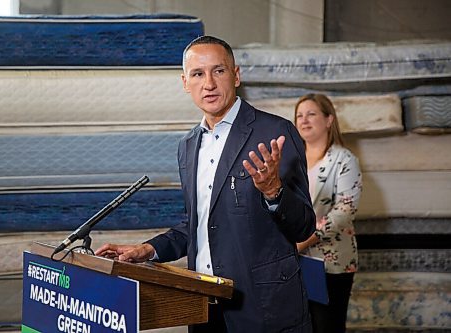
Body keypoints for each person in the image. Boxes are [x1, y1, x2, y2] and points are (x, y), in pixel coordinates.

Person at [96, 35, 316, 332]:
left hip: (263, 305)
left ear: (236, 75)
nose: (208, 83)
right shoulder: (188, 145)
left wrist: (273, 191)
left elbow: (304, 226)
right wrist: (147, 249)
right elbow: (197, 226)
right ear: (185, 82)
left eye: (219, 71)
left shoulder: (274, 132)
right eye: (198, 74)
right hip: (204, 304)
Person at [294, 94, 362, 333]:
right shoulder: (292, 161)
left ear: (329, 119)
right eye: (299, 115)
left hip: (331, 262)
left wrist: (305, 241)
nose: (304, 120)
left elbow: (345, 210)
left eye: (311, 114)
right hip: (295, 259)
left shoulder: (344, 160)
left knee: (327, 326)